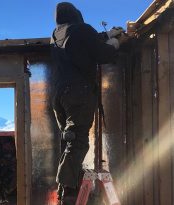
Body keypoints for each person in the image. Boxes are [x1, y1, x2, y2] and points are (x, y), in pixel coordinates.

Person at [50, 2, 125, 205]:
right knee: (77, 140)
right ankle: (68, 190)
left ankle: (65, 188)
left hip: (59, 95)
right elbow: (102, 53)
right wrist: (115, 43)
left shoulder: (57, 34)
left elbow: (84, 43)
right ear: (77, 16)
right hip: (78, 92)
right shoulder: (82, 29)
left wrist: (107, 34)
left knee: (68, 139)